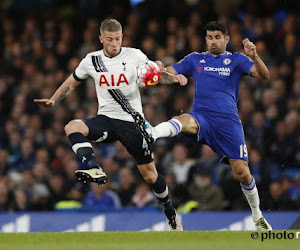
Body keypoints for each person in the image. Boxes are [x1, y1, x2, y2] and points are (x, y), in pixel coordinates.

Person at [34, 19, 184, 231]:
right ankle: (93, 168)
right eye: (110, 40)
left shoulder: (135, 55)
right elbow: (71, 83)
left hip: (132, 122)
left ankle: (170, 212)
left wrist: (173, 78)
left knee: (150, 175)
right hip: (106, 119)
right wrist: (53, 99)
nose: (114, 43)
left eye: (118, 39)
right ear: (101, 39)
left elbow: (154, 76)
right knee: (72, 126)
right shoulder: (91, 60)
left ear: (122, 37)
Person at [137, 21, 272, 230]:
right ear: (205, 40)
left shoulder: (236, 60)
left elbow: (264, 75)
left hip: (228, 123)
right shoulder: (195, 59)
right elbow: (166, 75)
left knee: (242, 173)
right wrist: (158, 70)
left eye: (217, 37)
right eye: (209, 37)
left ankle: (257, 216)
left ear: (226, 39)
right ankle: (152, 132)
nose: (213, 41)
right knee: (182, 121)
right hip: (202, 117)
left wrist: (254, 56)